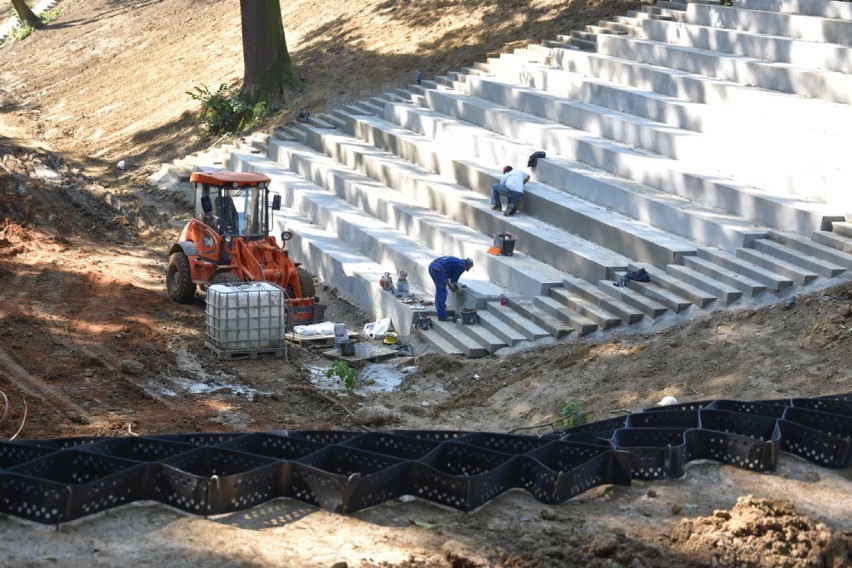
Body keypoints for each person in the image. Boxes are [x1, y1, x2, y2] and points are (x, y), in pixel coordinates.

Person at [428, 256, 473, 322]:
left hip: (433, 267)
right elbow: (454, 281)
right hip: (438, 270)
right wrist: (457, 289)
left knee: (439, 289)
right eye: (469, 268)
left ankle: (440, 307)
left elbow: (445, 276)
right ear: (467, 265)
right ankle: (442, 316)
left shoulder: (457, 262)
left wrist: (450, 286)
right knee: (442, 292)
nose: (467, 270)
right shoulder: (461, 266)